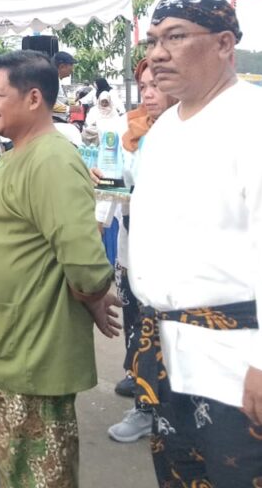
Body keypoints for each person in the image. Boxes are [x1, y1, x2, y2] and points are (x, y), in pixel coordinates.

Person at [130, 0, 262, 486]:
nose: (158, 54)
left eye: (175, 37)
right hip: (173, 360)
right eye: (153, 41)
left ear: (225, 44)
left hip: (247, 367)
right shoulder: (164, 129)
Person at [0, 50, 119, 488]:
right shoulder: (19, 152)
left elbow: (83, 260)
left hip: (28, 350)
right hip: (3, 341)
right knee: (12, 463)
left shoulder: (52, 160)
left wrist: (92, 295)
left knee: (38, 472)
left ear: (34, 97)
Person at [100, 58, 177, 445]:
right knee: (138, 323)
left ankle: (170, 408)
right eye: (143, 86)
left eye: (156, 85)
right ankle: (145, 406)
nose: (148, 94)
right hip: (135, 242)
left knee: (169, 331)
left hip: (177, 253)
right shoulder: (128, 129)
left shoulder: (189, 130)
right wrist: (99, 219)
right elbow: (114, 182)